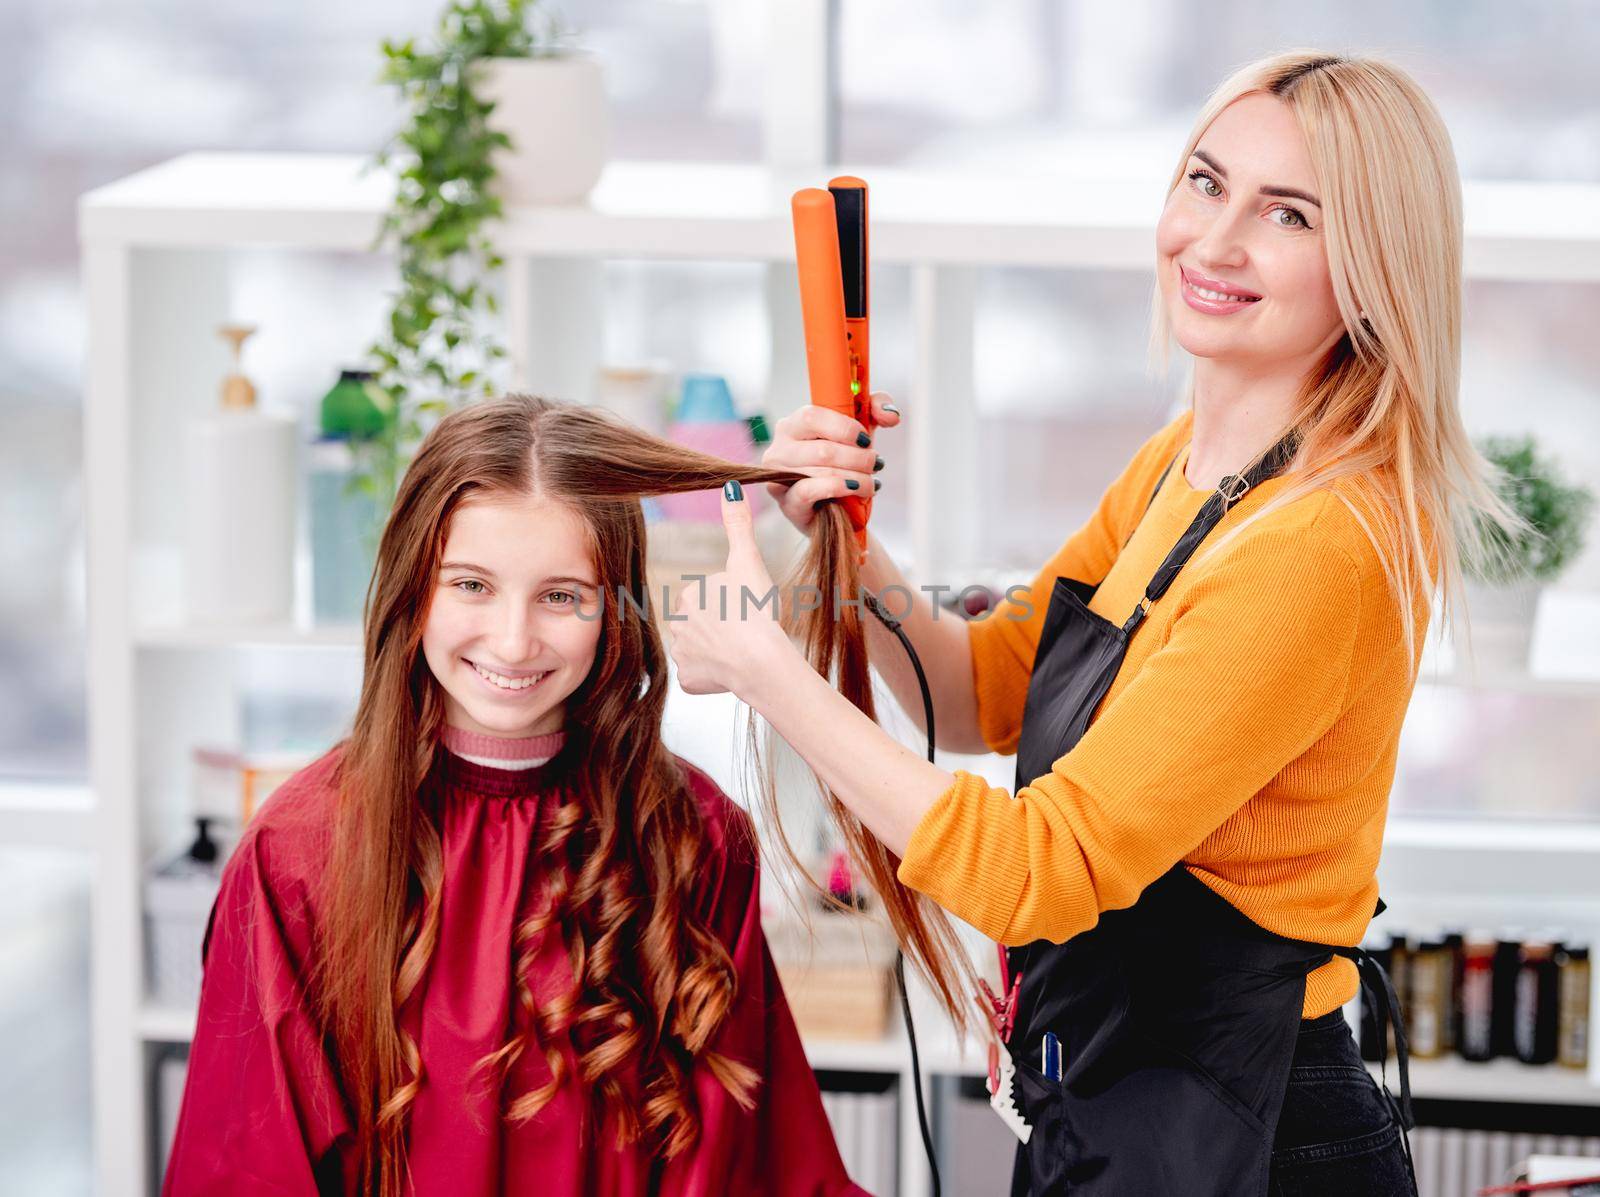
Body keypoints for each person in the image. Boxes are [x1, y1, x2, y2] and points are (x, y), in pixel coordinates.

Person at [667, 50, 1528, 1196]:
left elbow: (1040, 870)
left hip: (1254, 1136)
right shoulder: (1181, 463)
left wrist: (775, 680)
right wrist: (841, 542)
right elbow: (982, 692)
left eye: (1287, 214)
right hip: (1122, 1099)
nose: (1212, 243)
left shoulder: (1318, 549)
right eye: (1205, 183)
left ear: (1372, 266)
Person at [162, 396, 874, 1196]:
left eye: (561, 595)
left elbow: (743, 1165)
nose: (511, 640)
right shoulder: (299, 852)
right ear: (412, 588)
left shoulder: (695, 837)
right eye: (471, 584)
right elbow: (249, 1169)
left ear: (616, 610)